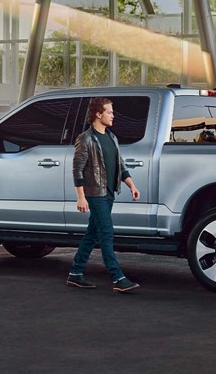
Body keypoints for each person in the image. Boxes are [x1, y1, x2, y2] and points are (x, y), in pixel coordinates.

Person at [66, 97, 141, 294]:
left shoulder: (111, 137)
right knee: (106, 233)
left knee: (92, 234)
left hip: (108, 193)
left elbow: (120, 165)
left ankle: (75, 272)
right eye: (109, 112)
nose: (113, 115)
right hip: (95, 194)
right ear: (98, 114)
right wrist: (81, 197)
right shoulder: (86, 138)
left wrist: (131, 184)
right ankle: (118, 277)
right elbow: (78, 170)